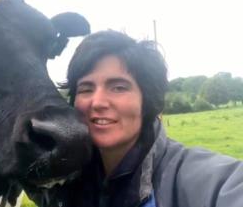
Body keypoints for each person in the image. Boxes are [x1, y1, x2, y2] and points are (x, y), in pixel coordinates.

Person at [44, 29, 243, 207]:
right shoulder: (63, 181)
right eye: (86, 89)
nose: (97, 102)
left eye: (118, 87)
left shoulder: (208, 181)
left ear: (147, 100)